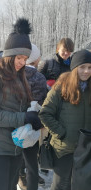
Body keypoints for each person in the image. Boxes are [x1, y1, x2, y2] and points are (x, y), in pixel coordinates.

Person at [0, 18, 42, 190]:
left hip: (15, 147)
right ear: (9, 55)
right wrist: (23, 117)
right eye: (19, 57)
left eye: (25, 58)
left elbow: (18, 107)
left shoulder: (20, 76)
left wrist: (34, 114)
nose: (22, 62)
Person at [39, 49, 91, 190]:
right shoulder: (61, 88)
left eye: (90, 67)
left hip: (86, 149)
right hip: (64, 149)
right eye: (82, 67)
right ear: (74, 68)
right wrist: (62, 133)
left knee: (82, 185)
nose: (86, 71)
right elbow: (44, 114)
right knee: (62, 185)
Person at [18, 44, 47, 190]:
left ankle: (18, 178)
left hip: (14, 122)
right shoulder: (39, 77)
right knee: (32, 164)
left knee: (15, 159)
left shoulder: (14, 75)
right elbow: (44, 102)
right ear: (36, 59)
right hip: (32, 125)